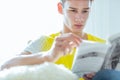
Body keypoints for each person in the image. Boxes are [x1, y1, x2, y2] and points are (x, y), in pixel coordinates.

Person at [0, 0, 120, 80]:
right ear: (60, 8)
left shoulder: (101, 45)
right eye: (73, 10)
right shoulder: (46, 41)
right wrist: (48, 56)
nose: (79, 18)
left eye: (85, 11)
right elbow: (5, 67)